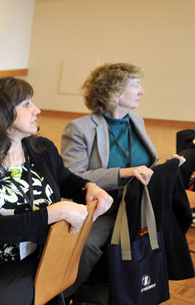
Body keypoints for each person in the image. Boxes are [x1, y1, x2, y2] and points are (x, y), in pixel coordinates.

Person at [0, 77, 113, 305]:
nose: (36, 109)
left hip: (26, 258)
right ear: (1, 113)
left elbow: (65, 179)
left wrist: (89, 187)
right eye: (26, 104)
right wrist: (56, 212)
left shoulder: (42, 149)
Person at [60, 63, 186, 297]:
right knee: (86, 246)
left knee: (171, 227)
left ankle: (132, 291)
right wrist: (123, 173)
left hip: (138, 204)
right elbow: (72, 176)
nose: (142, 91)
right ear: (115, 93)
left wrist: (166, 166)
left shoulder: (135, 120)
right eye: (136, 85)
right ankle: (61, 295)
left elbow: (147, 165)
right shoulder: (80, 128)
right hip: (104, 207)